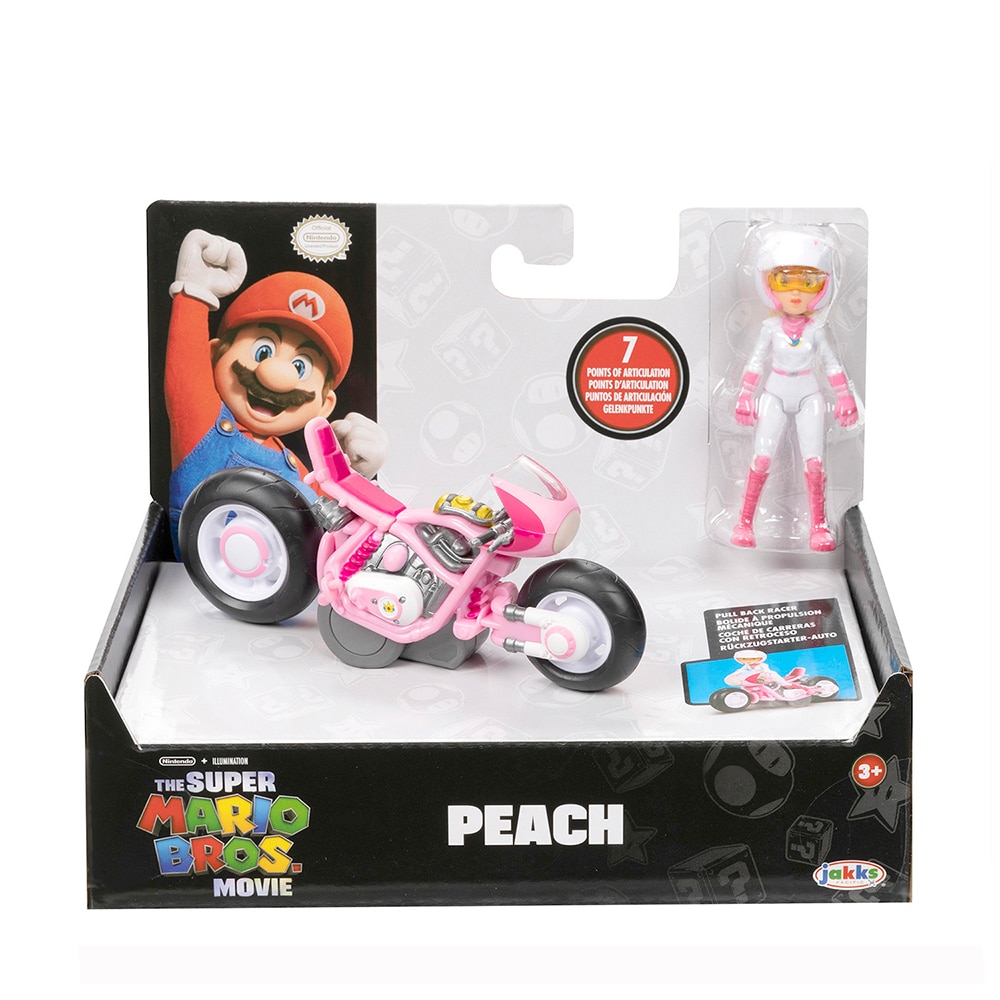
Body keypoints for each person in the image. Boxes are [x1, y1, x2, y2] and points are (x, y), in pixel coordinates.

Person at [165, 229, 387, 551]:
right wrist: (193, 294)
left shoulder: (295, 466)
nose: (279, 376)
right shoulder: (203, 428)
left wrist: (356, 474)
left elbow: (336, 521)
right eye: (264, 350)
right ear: (214, 356)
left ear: (325, 405)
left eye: (301, 366)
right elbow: (184, 368)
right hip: (205, 567)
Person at [731, 227, 858, 552]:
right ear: (769, 283)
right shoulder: (770, 329)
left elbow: (831, 364)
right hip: (774, 392)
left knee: (814, 462)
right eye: (784, 281)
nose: (797, 292)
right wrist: (745, 396)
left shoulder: (815, 330)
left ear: (822, 285)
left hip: (809, 395)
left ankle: (818, 526)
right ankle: (744, 522)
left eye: (809, 282)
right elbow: (755, 362)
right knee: (761, 458)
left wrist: (845, 397)